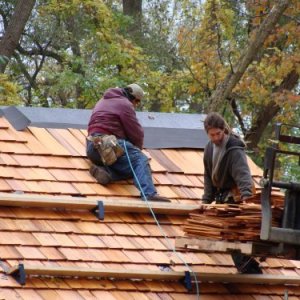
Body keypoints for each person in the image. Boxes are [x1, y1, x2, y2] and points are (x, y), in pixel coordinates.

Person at [86, 83, 170, 202]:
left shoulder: (102, 101)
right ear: (134, 98)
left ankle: (106, 173)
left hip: (92, 148)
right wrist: (137, 150)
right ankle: (149, 194)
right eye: (137, 102)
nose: (136, 105)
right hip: (108, 144)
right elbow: (136, 132)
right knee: (140, 161)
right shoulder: (125, 104)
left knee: (135, 170)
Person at [202, 112, 254, 204]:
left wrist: (247, 197)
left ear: (223, 129)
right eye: (212, 135)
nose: (216, 138)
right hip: (221, 198)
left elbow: (242, 174)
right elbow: (208, 176)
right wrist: (206, 200)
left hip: (234, 198)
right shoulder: (209, 148)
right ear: (207, 133)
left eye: (218, 133)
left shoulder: (233, 148)